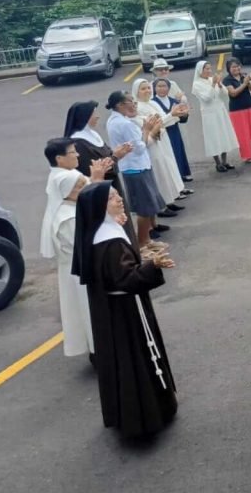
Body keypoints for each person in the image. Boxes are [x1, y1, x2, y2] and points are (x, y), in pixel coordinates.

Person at [72, 182, 177, 438]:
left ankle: (128, 414)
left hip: (112, 311)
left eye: (117, 194)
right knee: (135, 359)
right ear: (99, 207)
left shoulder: (99, 234)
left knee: (121, 361)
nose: (119, 199)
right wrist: (153, 265)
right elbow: (125, 280)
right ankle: (146, 416)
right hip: (126, 313)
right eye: (111, 198)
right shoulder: (109, 243)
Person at [41, 139, 103, 359]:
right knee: (88, 313)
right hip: (81, 274)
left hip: (81, 270)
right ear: (59, 158)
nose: (77, 155)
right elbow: (86, 244)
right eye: (79, 186)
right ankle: (99, 353)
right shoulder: (67, 217)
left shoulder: (67, 194)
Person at [105, 90, 168, 255]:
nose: (134, 104)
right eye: (130, 101)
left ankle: (147, 240)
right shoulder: (125, 124)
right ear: (120, 105)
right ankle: (142, 244)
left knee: (147, 204)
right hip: (136, 167)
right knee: (144, 207)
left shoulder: (114, 120)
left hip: (133, 167)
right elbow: (140, 147)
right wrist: (147, 129)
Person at [63, 100, 137, 242]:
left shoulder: (93, 135)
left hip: (112, 185)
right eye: (93, 113)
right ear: (84, 117)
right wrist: (116, 156)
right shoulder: (78, 143)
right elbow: (92, 170)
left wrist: (116, 154)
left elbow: (106, 157)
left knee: (122, 219)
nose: (97, 116)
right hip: (101, 192)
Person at [132, 78, 186, 216]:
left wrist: (171, 116)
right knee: (159, 172)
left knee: (168, 168)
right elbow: (150, 124)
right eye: (143, 89)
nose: (147, 91)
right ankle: (161, 206)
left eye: (148, 88)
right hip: (152, 143)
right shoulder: (137, 107)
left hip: (162, 140)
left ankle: (169, 200)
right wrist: (169, 116)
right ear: (136, 91)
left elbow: (161, 120)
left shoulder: (152, 103)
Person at [191, 61, 239, 172]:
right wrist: (213, 84)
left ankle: (224, 161)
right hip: (209, 113)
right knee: (213, 137)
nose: (209, 71)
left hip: (219, 110)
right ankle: (218, 163)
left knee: (223, 135)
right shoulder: (197, 84)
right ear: (200, 70)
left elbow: (225, 94)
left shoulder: (212, 79)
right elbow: (207, 98)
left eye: (209, 68)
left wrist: (219, 84)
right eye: (206, 69)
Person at [151, 77, 194, 183]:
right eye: (159, 86)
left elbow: (182, 120)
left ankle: (181, 174)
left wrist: (185, 114)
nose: (162, 89)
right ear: (154, 88)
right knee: (168, 155)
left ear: (169, 88)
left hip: (174, 131)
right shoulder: (153, 102)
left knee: (178, 151)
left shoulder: (173, 101)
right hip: (163, 133)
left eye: (164, 86)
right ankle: (173, 178)